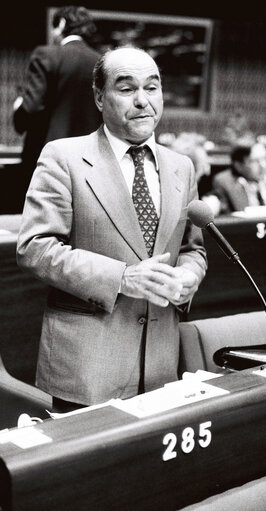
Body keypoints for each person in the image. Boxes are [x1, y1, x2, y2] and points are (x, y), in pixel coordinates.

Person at [16, 47, 207, 412]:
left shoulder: (181, 166)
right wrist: (122, 277)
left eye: (152, 88)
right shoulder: (63, 157)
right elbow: (35, 247)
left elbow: (192, 249)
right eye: (126, 89)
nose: (142, 101)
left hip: (160, 366)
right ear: (100, 97)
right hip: (88, 366)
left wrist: (187, 277)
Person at [13, 6, 101, 189]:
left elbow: (32, 107)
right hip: (90, 159)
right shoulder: (101, 62)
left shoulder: (47, 55)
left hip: (48, 156)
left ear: (61, 24)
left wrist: (18, 109)